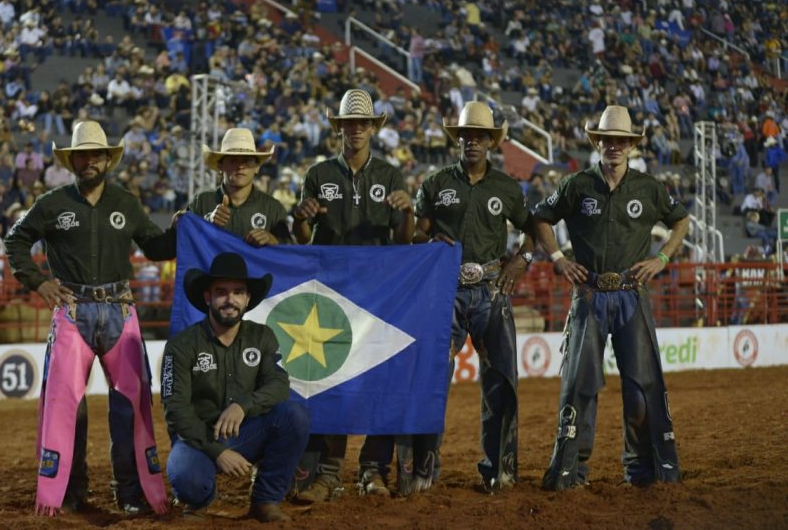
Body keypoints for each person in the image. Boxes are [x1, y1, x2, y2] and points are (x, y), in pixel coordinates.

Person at [4, 121, 173, 516]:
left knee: (129, 405)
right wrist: (39, 282)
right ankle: (70, 489)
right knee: (69, 405)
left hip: (118, 308)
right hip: (74, 309)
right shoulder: (51, 203)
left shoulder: (126, 203)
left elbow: (156, 247)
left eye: (97, 154)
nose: (90, 160)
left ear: (107, 160)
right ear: (72, 159)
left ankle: (128, 491)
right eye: (83, 154)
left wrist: (186, 229)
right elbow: (15, 240)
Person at [533, 105, 688, 490]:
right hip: (589, 296)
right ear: (598, 142)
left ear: (630, 146)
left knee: (640, 388)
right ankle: (572, 470)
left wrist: (662, 258)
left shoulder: (649, 188)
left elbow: (680, 220)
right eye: (607, 140)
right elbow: (540, 217)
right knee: (581, 385)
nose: (613, 146)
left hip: (631, 295)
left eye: (620, 140)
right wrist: (557, 259)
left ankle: (641, 470)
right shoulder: (576, 185)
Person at [292, 88, 414, 501]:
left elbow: (404, 241)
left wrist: (408, 213)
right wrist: (301, 218)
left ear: (372, 128)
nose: (356, 129)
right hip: (332, 292)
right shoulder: (318, 174)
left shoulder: (391, 176)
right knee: (329, 379)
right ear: (339, 128)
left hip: (378, 293)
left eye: (363, 123)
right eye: (349, 123)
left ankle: (372, 469)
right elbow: (302, 239)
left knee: (379, 379)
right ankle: (328, 472)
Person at [409, 101, 535, 494]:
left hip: (492, 288)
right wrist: (428, 240)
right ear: (457, 140)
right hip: (445, 290)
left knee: (500, 379)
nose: (471, 142)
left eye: (479, 136)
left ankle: (500, 466)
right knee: (433, 377)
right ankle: (425, 462)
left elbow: (532, 230)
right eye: (465, 136)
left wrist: (522, 259)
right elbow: (416, 234)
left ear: (491, 143)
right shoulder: (434, 184)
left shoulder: (506, 187)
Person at [163, 252, 310, 522]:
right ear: (208, 297)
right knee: (188, 479)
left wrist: (243, 405)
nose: (230, 300)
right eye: (222, 292)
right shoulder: (181, 345)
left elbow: (279, 384)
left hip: (248, 431)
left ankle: (266, 501)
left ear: (248, 299)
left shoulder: (262, 336)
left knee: (295, 416)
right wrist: (218, 452)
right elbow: (176, 411)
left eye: (238, 292)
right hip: (198, 439)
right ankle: (198, 500)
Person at [187, 127, 291, 245]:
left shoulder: (273, 208)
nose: (240, 166)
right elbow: (184, 241)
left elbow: (289, 253)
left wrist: (272, 240)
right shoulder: (201, 202)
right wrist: (207, 223)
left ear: (257, 167)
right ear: (220, 166)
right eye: (233, 160)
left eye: (246, 161)